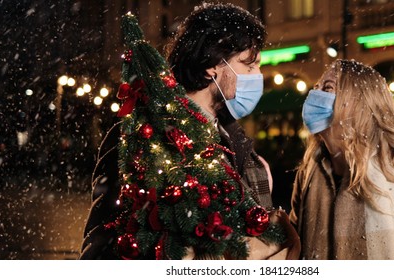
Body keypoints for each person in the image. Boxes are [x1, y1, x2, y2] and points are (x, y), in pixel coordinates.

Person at [80, 2, 297, 259]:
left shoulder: (236, 142)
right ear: (211, 66)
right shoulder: (142, 134)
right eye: (248, 66)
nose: (258, 75)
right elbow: (102, 243)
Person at [290, 59, 394, 260]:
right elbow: (293, 250)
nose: (314, 94)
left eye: (327, 88)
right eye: (316, 87)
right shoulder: (309, 172)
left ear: (360, 103)